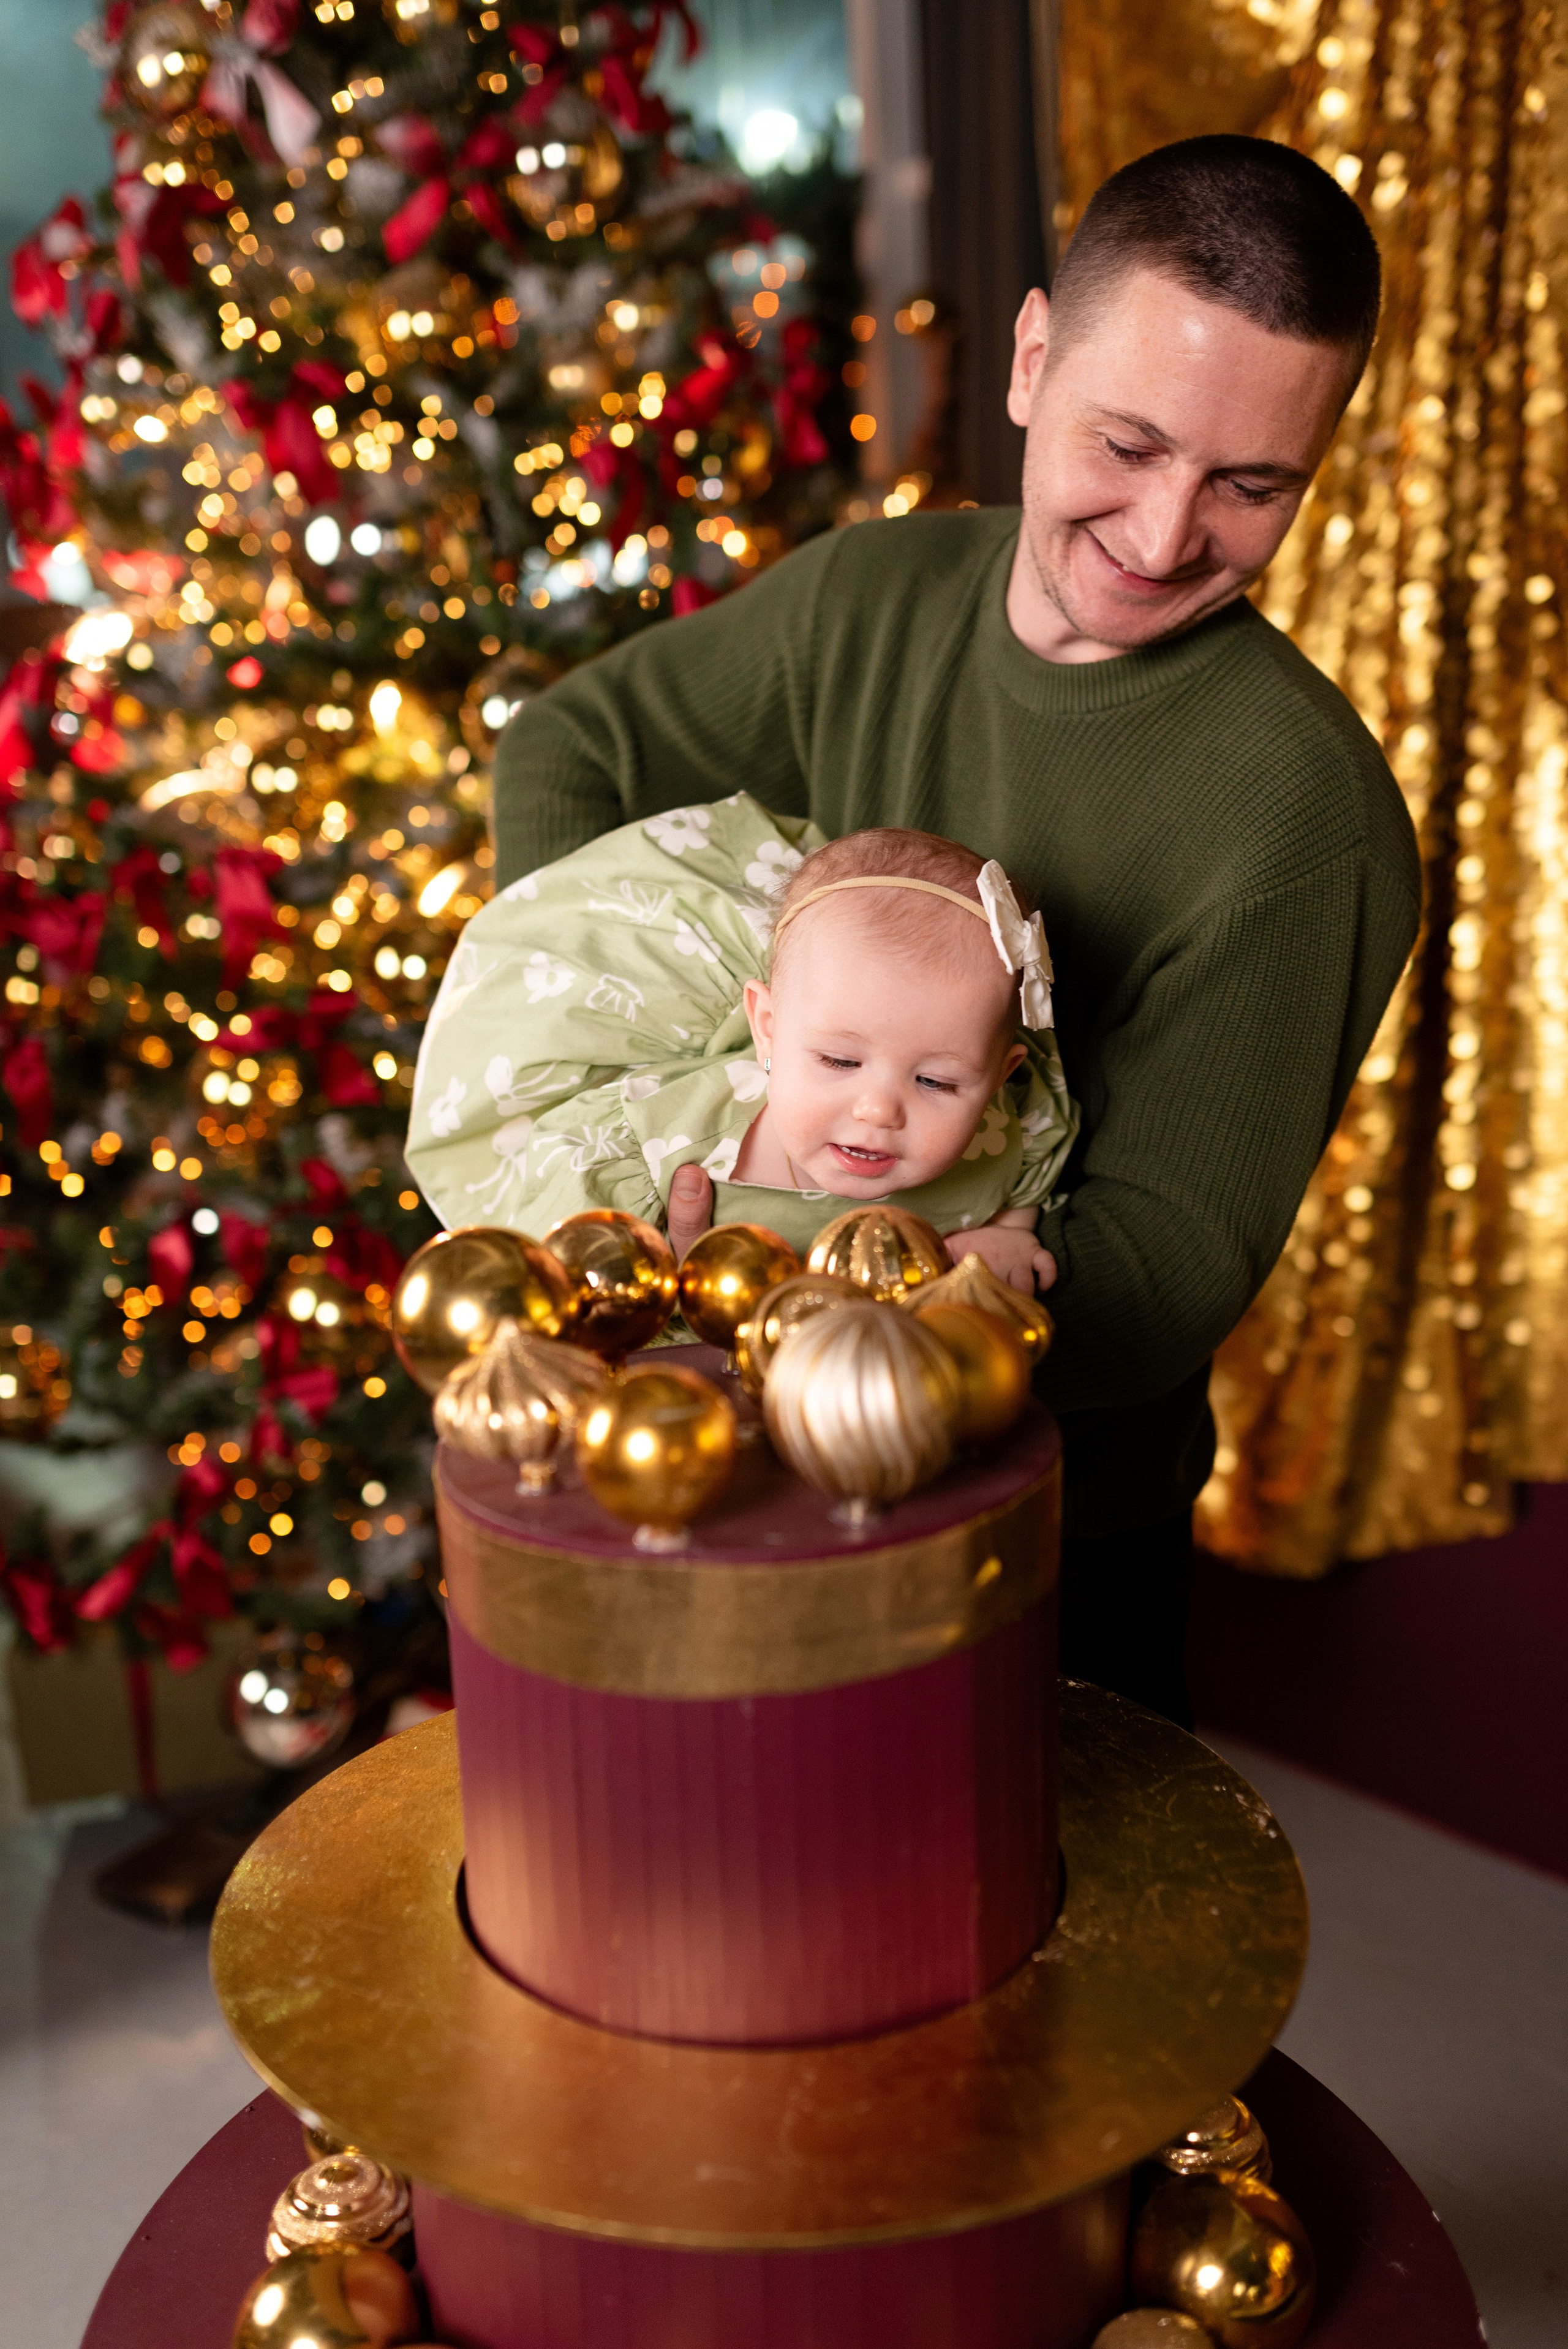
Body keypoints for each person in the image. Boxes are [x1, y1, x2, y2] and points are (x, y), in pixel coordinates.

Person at [487, 135, 1422, 1727]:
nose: (1165, 530)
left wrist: (754, 1266)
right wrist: (629, 1083)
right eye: (1128, 443)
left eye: (1251, 484)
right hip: (699, 1451)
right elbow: (562, 749)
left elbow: (1153, 1281)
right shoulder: (874, 596)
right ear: (1033, 358)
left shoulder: (1303, 817)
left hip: (1038, 1529)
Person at [408, 797, 1076, 1265]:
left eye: (935, 1080)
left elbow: (1034, 1158)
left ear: (1000, 1075)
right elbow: (550, 1258)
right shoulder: (659, 1148)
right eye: (840, 1061)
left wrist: (1008, 1231)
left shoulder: (1004, 1134)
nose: (878, 1109)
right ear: (766, 1028)